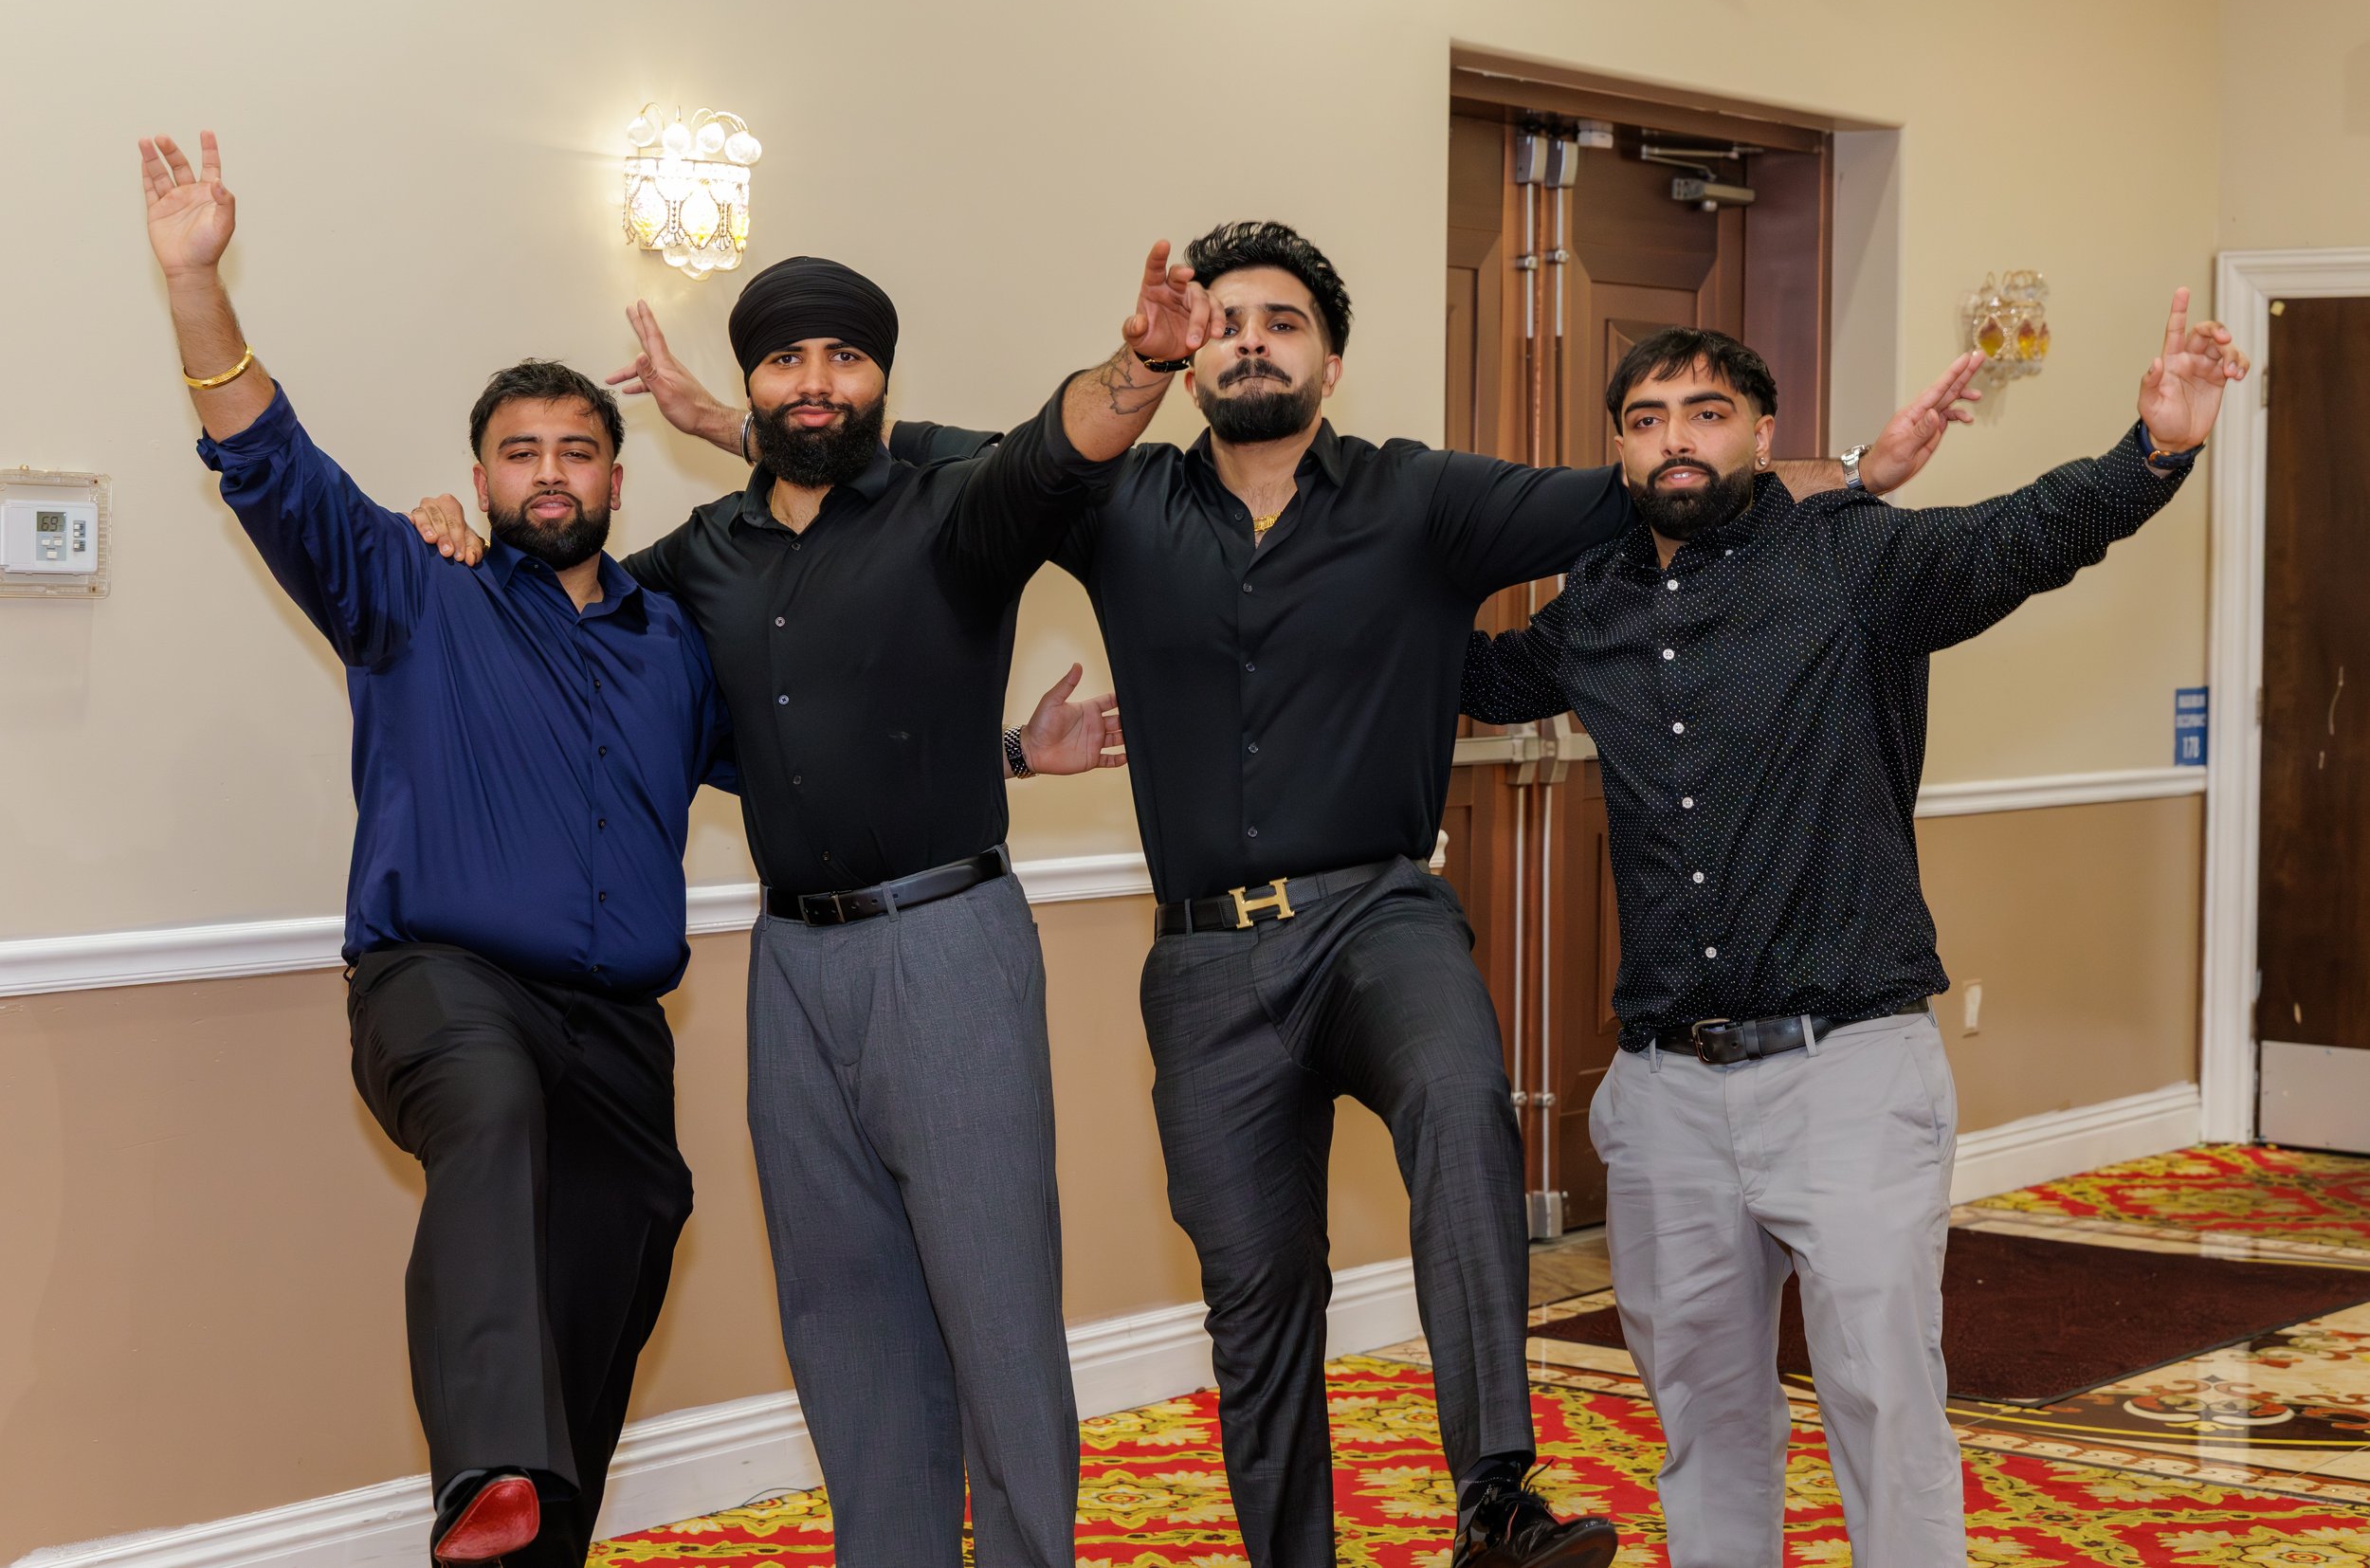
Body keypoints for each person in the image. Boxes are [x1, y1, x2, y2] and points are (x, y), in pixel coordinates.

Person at [559, 222, 1975, 1568]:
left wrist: (1847, 468)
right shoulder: (1116, 504)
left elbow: (1647, 486)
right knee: (1257, 1303)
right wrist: (720, 425)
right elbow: (903, 465)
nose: (1248, 343)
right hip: (1206, 965)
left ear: (1329, 362)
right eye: (1224, 323)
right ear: (1192, 357)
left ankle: (1494, 1489)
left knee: (1456, 1091)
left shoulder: (1422, 495)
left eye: (1279, 324)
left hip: (1381, 914)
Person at [411, 247, 1208, 1567]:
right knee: (842, 1317)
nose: (817, 381)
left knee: (996, 1310)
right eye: (787, 359)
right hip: (791, 962)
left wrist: (1148, 366)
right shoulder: (696, 559)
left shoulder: (956, 507)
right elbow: (571, 595)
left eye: (844, 356)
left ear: (883, 375)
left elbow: (1064, 449)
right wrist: (461, 532)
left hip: (949, 945)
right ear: (753, 381)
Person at [1457, 302, 2246, 1566]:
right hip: (1665, 1092)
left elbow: (2022, 537)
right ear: (1618, 451)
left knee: (1882, 1403)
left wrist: (2151, 452)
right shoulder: (1594, 607)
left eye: (1706, 415)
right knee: (1704, 1420)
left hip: (1850, 1073)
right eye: (1648, 420)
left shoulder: (1854, 566)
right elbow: (1474, 684)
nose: (1676, 442)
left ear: (1763, 434)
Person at [142, 128, 728, 1568]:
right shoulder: (415, 583)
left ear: (612, 480)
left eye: (576, 451)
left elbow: (820, 757)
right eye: (518, 451)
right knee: (491, 1117)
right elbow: (266, 459)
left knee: (633, 1227)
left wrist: (1023, 755)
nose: (548, 471)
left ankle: (535, 1526)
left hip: (621, 1027)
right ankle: (489, 1476)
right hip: (441, 983)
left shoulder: (676, 649)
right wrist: (197, 283)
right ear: (475, 471)